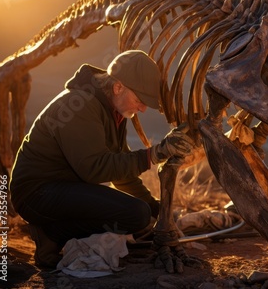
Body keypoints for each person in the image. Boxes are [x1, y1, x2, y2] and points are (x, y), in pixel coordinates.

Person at [10, 50, 194, 269]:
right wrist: (154, 154)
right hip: (36, 193)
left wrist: (158, 211)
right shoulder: (80, 106)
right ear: (118, 87)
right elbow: (94, 169)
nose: (143, 108)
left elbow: (121, 171)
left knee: (141, 214)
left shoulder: (114, 108)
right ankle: (51, 233)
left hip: (62, 187)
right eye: (139, 100)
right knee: (136, 216)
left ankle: (60, 231)